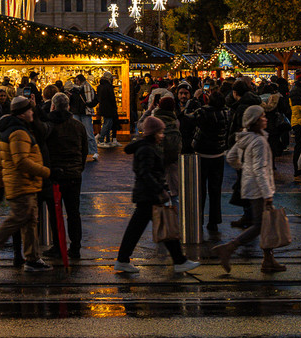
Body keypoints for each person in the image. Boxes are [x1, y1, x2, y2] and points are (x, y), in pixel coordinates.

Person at [0, 96, 52, 276]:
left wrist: (0, 185)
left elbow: (1, 163)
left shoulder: (7, 131)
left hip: (21, 184)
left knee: (30, 221)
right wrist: (46, 172)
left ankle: (32, 258)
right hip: (21, 183)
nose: (33, 112)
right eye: (30, 110)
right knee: (16, 220)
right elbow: (21, 161)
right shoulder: (19, 133)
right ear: (23, 113)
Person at [113, 114, 199, 274]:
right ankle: (179, 261)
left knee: (137, 229)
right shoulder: (147, 149)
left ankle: (123, 259)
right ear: (153, 133)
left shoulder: (145, 147)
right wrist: (161, 190)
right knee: (164, 226)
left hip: (146, 194)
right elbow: (146, 173)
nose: (162, 136)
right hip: (149, 195)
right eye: (160, 132)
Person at [211, 106, 283, 274]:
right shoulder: (258, 141)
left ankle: (268, 260)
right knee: (260, 224)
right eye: (262, 116)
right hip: (259, 188)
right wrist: (267, 194)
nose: (265, 118)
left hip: (251, 185)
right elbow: (259, 169)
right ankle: (229, 248)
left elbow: (230, 156)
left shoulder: (246, 138)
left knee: (264, 224)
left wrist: (243, 169)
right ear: (255, 121)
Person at [41, 92, 87, 258]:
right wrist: (79, 167)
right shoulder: (78, 126)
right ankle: (75, 248)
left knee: (56, 213)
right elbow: (84, 151)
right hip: (74, 174)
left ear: (53, 106)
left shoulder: (49, 126)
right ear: (68, 107)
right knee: (74, 213)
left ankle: (58, 246)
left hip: (55, 175)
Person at [189, 88, 228, 234]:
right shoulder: (227, 112)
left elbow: (188, 118)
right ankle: (214, 221)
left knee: (200, 190)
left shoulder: (203, 112)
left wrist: (194, 99)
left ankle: (199, 218)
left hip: (202, 153)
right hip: (218, 154)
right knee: (215, 190)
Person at [95, 73, 120, 147]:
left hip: (102, 107)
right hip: (109, 108)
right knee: (108, 124)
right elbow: (112, 98)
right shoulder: (109, 87)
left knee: (106, 123)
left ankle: (107, 140)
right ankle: (101, 140)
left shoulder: (99, 87)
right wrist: (115, 107)